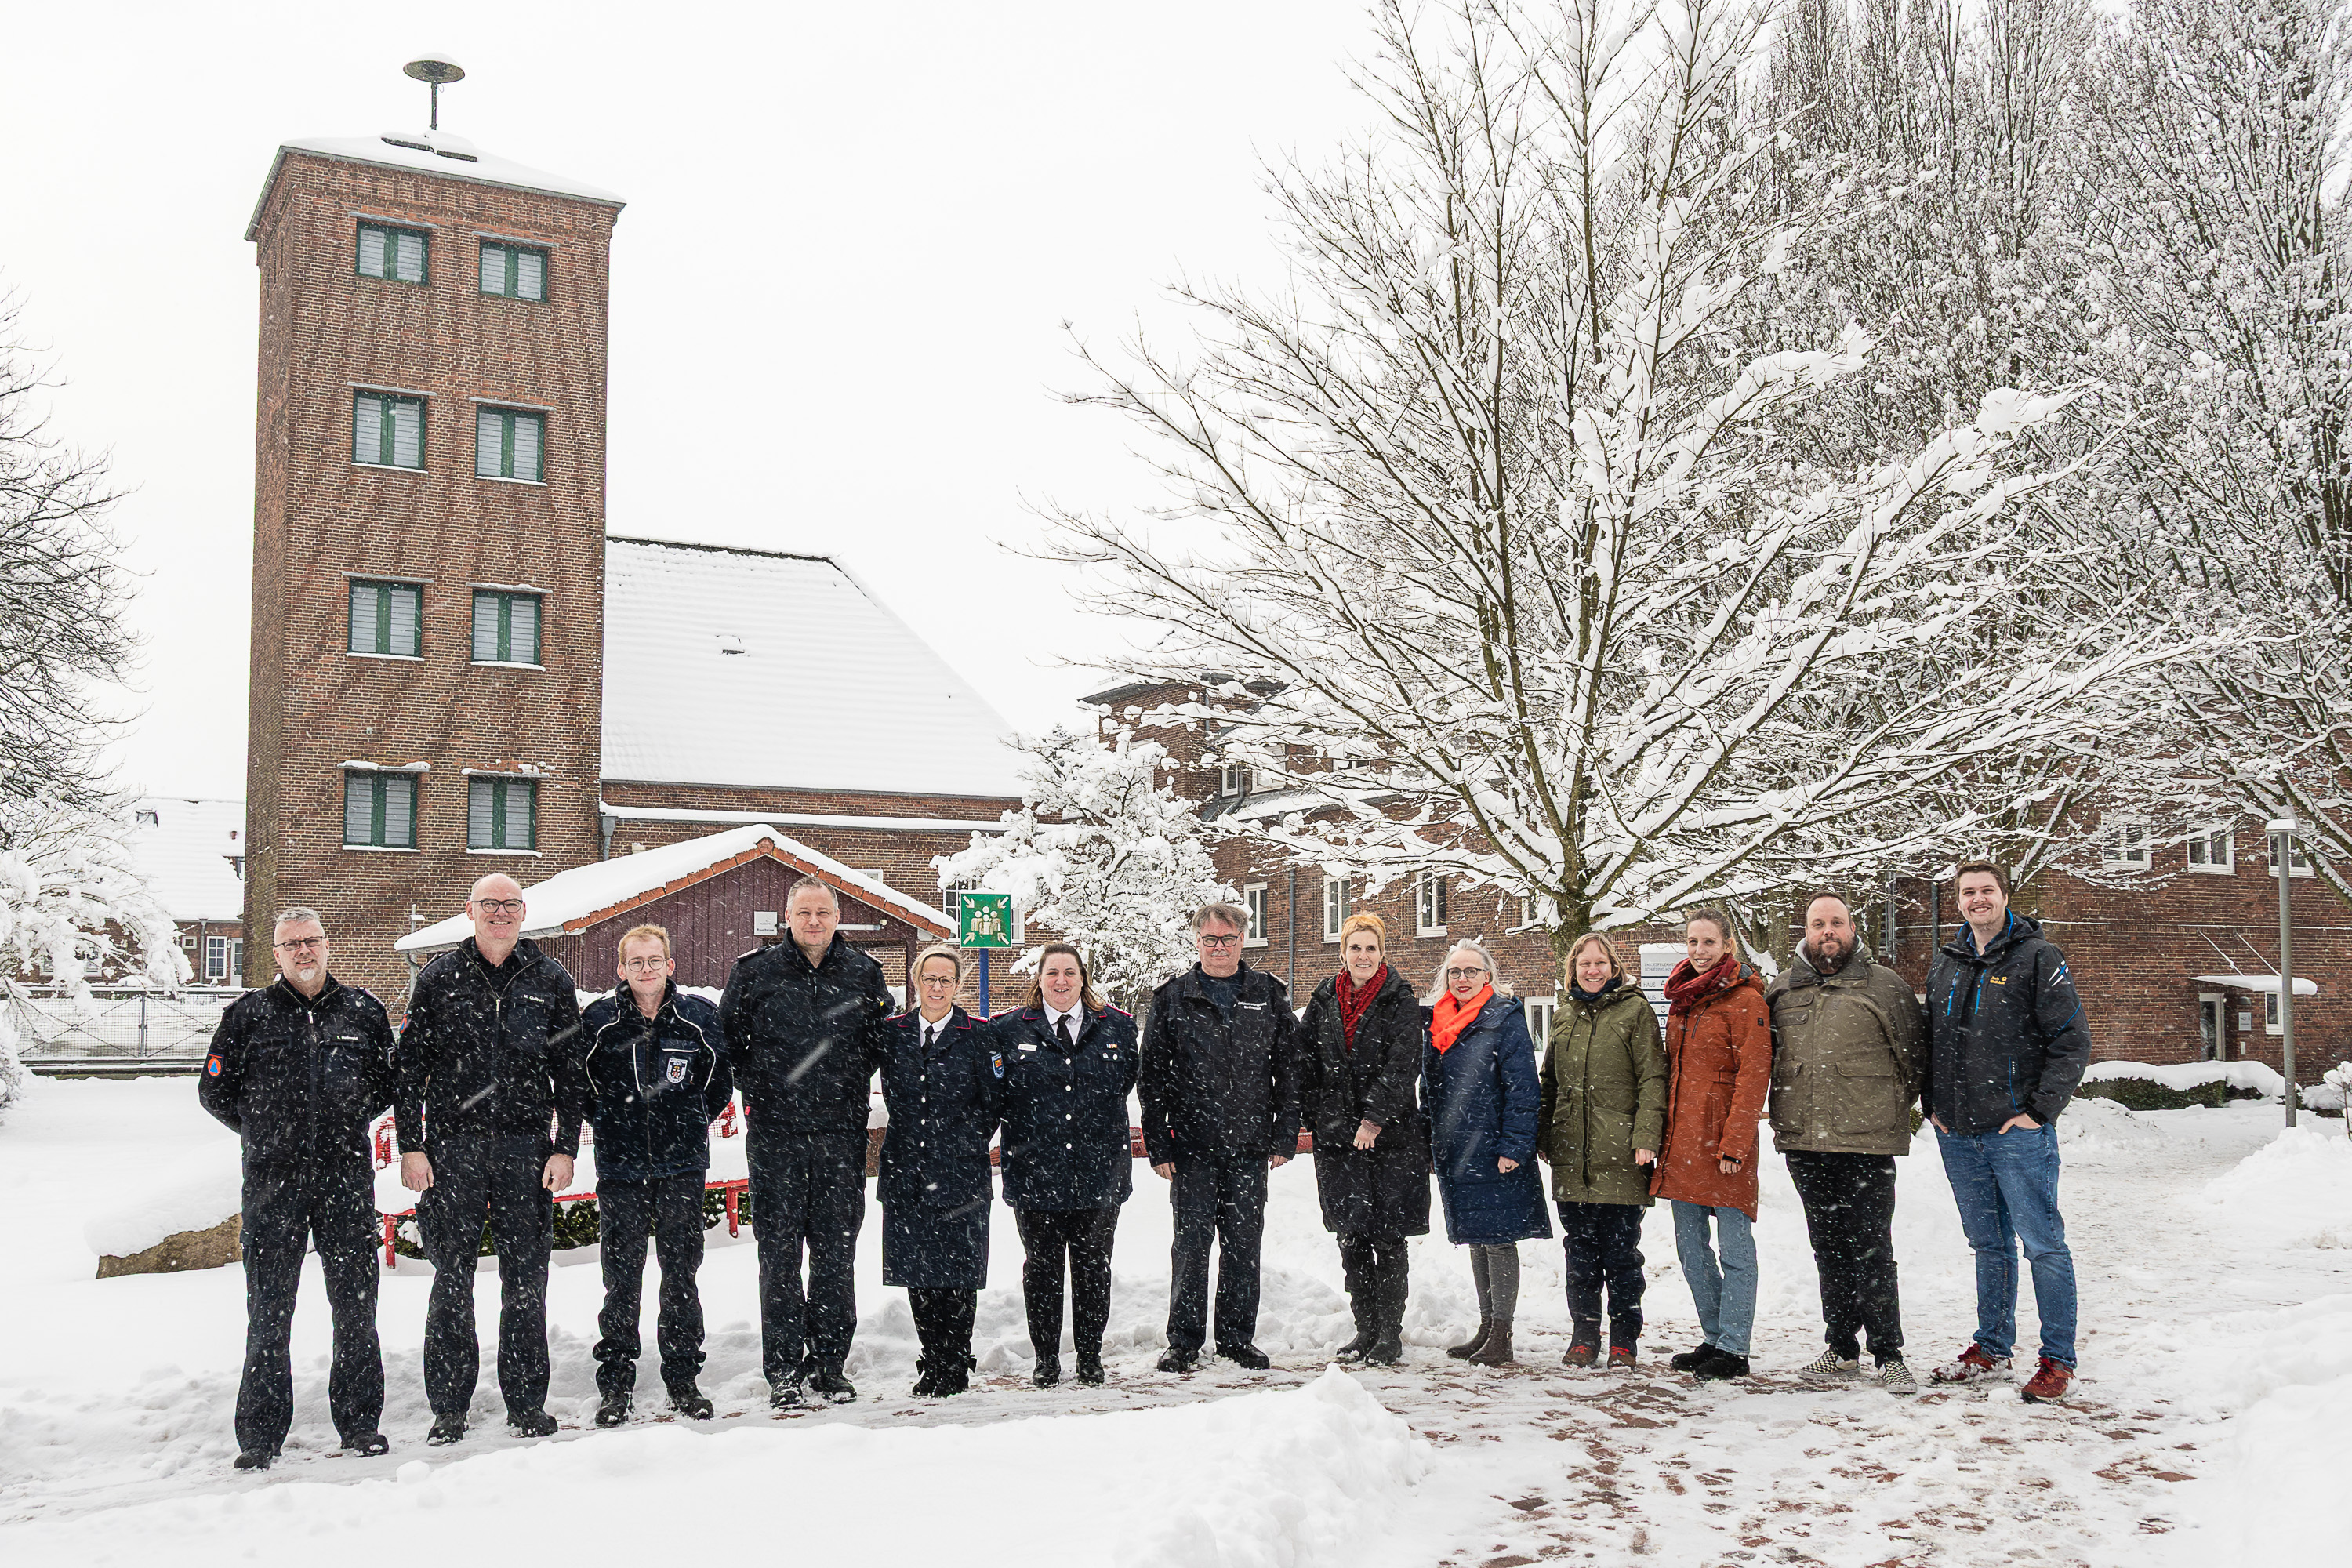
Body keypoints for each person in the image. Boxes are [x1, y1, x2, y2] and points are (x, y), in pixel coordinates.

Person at [198, 907, 395, 1470]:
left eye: (312, 941)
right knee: (269, 1309)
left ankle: (360, 1424)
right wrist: (263, 1129)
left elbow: (385, 1083)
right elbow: (214, 1092)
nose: (304, 952)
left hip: (344, 1179)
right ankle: (260, 1436)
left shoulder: (364, 1011)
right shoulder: (248, 1016)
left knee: (356, 1307)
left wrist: (341, 1121)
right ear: (276, 955)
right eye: (292, 945)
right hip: (272, 1185)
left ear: (328, 946)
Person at [395, 873, 587, 1446]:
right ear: (470, 911)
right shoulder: (438, 977)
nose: (499, 913)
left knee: (525, 1280)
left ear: (524, 912)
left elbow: (571, 1073)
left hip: (525, 1148)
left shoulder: (550, 980)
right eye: (489, 904)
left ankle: (526, 1403)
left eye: (509, 904)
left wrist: (566, 1146)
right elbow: (410, 1068)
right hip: (453, 1150)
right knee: (451, 1279)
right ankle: (449, 1407)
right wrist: (413, 1143)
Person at [719, 875, 892, 1406]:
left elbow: (879, 1043)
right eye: (804, 913)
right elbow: (729, 1042)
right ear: (787, 918)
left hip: (842, 1138)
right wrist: (765, 1087)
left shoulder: (864, 973)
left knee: (836, 1256)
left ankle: (829, 1365)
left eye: (823, 912)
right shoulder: (755, 973)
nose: (814, 922)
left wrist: (844, 1084)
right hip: (776, 1137)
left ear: (836, 917)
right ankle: (784, 1372)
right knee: (779, 1256)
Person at [1923, 862, 2090, 1405]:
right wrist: (1933, 1105)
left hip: (2015, 1131)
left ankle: (2057, 1360)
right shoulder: (1945, 964)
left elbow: (2070, 1041)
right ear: (1958, 901)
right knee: (1988, 1245)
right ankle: (1991, 1347)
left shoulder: (2039, 959)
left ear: (2004, 896)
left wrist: (2039, 1112)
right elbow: (1932, 1042)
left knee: (2043, 1245)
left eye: (1986, 891)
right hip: (1959, 1133)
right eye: (1968, 893)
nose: (1977, 900)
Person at [1766, 890, 1928, 1396]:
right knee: (1827, 1246)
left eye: (1836, 922)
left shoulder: (1886, 987)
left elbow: (1914, 1057)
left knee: (1872, 1246)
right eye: (1818, 924)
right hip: (1805, 1141)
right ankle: (1840, 1347)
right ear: (1806, 931)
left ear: (1853, 929)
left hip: (1867, 1142)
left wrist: (1890, 1110)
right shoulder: (1783, 990)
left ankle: (1888, 1352)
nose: (1827, 932)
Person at [579, 924, 733, 1427]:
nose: (646, 970)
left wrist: (682, 1127)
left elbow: (717, 1086)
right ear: (621, 969)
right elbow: (581, 1088)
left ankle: (683, 1377)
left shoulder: (698, 1019)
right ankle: (617, 1382)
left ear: (670, 965)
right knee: (621, 1275)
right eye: (636, 962)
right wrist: (614, 1125)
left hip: (680, 1167)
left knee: (680, 1273)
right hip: (621, 1168)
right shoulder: (599, 1021)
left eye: (655, 961)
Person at [1141, 902, 1301, 1373]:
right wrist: (1159, 1144)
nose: (1219, 948)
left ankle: (1236, 1338)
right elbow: (1151, 1077)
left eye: (1228, 939)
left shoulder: (1267, 994)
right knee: (1190, 1246)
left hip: (1250, 1146)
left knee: (1243, 1245)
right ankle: (1184, 1341)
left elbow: (1289, 1070)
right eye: (1210, 939)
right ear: (1196, 941)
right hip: (1191, 1149)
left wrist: (1284, 1136)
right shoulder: (1173, 997)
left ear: (1242, 941)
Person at [995, 943, 1138, 1388]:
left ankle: (1090, 1355)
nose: (1060, 981)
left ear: (1083, 979)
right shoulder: (1008, 1029)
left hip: (1099, 1172)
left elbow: (1125, 1085)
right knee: (1041, 1269)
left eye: (1069, 973)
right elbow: (997, 1096)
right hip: (1036, 1171)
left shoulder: (1118, 1026)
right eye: (1052, 972)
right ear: (1039, 979)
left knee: (1094, 1267)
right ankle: (1046, 1358)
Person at [1294, 913, 1429, 1366]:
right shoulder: (1323, 998)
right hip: (1336, 1139)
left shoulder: (1400, 999)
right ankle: (1365, 1328)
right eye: (1356, 947)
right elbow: (1305, 1060)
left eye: (1371, 948)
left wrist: (1373, 1120)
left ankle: (1389, 1332)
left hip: (1389, 1139)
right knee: (1351, 1235)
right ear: (1343, 952)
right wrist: (1315, 1113)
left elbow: (1403, 1064)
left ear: (1382, 952)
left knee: (1388, 1237)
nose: (1363, 956)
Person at [877, 946, 1004, 1397]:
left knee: (959, 1272)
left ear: (958, 985)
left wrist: (959, 1144)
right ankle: (931, 1358)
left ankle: (955, 1360)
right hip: (905, 1170)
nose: (937, 987)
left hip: (961, 1173)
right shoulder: (891, 1034)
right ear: (916, 981)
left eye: (946, 980)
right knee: (920, 1271)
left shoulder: (979, 1035)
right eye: (929, 978)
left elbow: (993, 1102)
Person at [1650, 909, 1771, 1381]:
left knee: (1735, 1249)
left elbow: (1752, 1077)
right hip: (1684, 1141)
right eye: (1692, 942)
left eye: (1708, 942)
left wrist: (1735, 1143)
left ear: (1727, 946)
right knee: (1690, 1247)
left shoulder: (1747, 1002)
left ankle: (1735, 1346)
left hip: (1724, 1143)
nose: (1699, 951)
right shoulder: (1682, 1001)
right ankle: (1715, 1335)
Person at [1536, 931, 1666, 1369]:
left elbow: (1653, 1079)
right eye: (1584, 964)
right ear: (1572, 969)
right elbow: (1549, 1081)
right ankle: (1584, 1335)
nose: (1592, 971)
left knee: (1622, 1255)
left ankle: (1624, 1340)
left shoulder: (1635, 1011)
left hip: (1622, 1154)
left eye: (1600, 963)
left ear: (1614, 967)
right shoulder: (1564, 1015)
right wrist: (1542, 1135)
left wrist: (1647, 1135)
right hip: (1572, 1154)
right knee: (1580, 1254)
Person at [1424, 939, 1550, 1367]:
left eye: (1471, 971)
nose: (1462, 978)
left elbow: (1523, 1088)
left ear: (1488, 977)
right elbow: (1431, 1088)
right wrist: (1431, 1140)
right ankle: (1486, 1327)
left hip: (1494, 1147)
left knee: (1498, 1242)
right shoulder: (1438, 1021)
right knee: (1478, 1240)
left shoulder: (1505, 1019)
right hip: (1457, 1147)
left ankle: (1502, 1333)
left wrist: (1514, 1145)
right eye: (1455, 971)